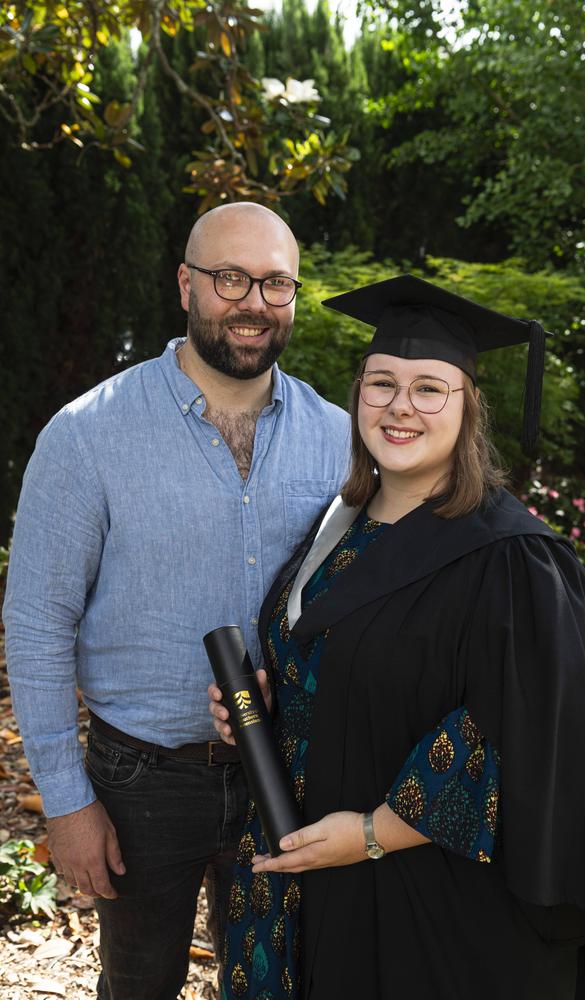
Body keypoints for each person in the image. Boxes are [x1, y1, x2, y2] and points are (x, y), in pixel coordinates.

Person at [209, 274, 585, 1000]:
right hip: (306, 875)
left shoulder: (514, 557)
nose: (399, 407)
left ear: (467, 408)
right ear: (357, 397)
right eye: (381, 383)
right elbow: (334, 663)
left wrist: (377, 830)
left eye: (428, 388)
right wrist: (267, 702)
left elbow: (521, 723)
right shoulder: (339, 524)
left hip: (433, 904)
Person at [2, 202, 351, 1000]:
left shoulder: (336, 438)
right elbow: (36, 621)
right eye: (231, 278)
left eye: (276, 283)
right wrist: (66, 802)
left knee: (274, 982)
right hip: (140, 781)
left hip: (291, 773)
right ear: (186, 285)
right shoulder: (87, 434)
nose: (254, 302)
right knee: (139, 985)